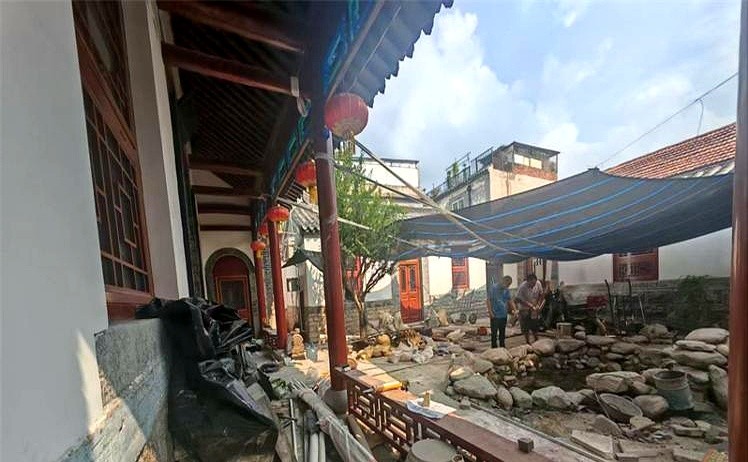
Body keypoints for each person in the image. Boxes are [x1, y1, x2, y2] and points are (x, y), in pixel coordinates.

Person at [516, 273, 544, 344]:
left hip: (534, 308)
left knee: (535, 325)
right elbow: (518, 299)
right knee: (525, 326)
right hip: (524, 308)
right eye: (532, 283)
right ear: (527, 281)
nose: (533, 285)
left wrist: (538, 304)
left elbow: (541, 294)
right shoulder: (522, 287)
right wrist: (529, 305)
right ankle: (527, 342)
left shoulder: (538, 283)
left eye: (534, 283)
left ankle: (536, 340)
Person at [487, 275, 514, 348]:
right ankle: (494, 348)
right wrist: (490, 312)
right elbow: (488, 300)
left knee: (502, 333)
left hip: (503, 315)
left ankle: (502, 347)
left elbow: (510, 300)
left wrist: (514, 309)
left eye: (509, 285)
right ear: (503, 281)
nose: (507, 286)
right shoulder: (493, 288)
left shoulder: (506, 290)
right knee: (494, 333)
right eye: (507, 284)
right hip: (495, 315)